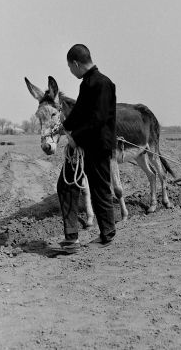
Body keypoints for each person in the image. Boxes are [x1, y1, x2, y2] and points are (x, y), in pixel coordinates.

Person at [57, 44, 117, 253]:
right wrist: (63, 127)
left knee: (100, 190)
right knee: (65, 185)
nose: (70, 71)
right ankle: (72, 238)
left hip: (98, 146)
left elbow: (98, 119)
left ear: (75, 63)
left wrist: (75, 137)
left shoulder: (103, 84)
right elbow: (80, 113)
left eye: (69, 67)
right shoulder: (87, 84)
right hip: (84, 145)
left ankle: (107, 235)